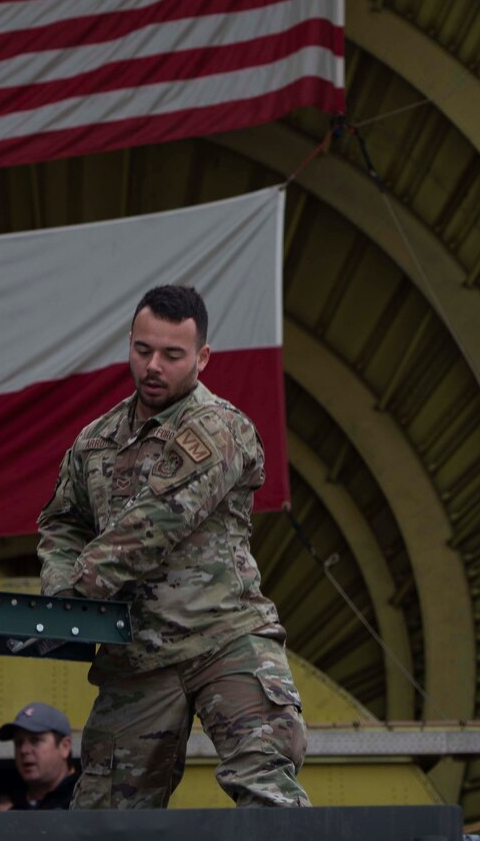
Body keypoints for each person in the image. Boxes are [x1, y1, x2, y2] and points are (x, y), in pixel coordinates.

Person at [36, 283, 307, 808]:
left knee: (266, 788)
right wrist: (59, 591)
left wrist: (74, 594)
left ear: (202, 357)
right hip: (137, 656)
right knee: (104, 816)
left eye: (172, 354)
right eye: (143, 350)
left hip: (224, 638)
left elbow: (154, 524)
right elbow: (62, 521)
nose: (153, 366)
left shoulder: (219, 428)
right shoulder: (95, 441)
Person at [0, 702, 78, 808]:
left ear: (65, 746)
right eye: (18, 742)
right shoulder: (14, 811)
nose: (24, 750)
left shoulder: (83, 804)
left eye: (35, 741)